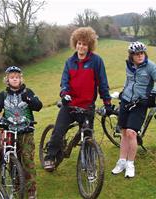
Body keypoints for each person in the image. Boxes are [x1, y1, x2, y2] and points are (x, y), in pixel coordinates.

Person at [43, 27, 113, 171]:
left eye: (85, 44)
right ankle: (50, 156)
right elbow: (64, 82)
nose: (81, 46)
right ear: (75, 43)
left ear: (90, 46)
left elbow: (103, 83)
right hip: (70, 106)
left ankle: (88, 164)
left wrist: (107, 103)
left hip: (87, 107)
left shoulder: (96, 61)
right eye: (79, 43)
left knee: (87, 136)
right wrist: (64, 94)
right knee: (58, 132)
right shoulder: (69, 62)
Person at [111, 41, 156, 178]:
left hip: (140, 103)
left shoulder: (150, 66)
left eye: (142, 53)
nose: (140, 56)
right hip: (125, 101)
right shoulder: (129, 66)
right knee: (123, 132)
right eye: (137, 54)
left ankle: (130, 164)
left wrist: (154, 92)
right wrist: (122, 92)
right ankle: (122, 161)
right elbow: (129, 81)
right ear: (131, 56)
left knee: (131, 133)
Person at [0, 66, 42, 199]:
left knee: (27, 159)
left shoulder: (28, 92)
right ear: (7, 80)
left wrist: (29, 98)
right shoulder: (3, 95)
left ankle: (31, 189)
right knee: (11, 159)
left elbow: (38, 106)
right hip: (9, 131)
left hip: (26, 131)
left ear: (21, 78)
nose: (15, 79)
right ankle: (16, 184)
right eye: (12, 77)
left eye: (17, 77)